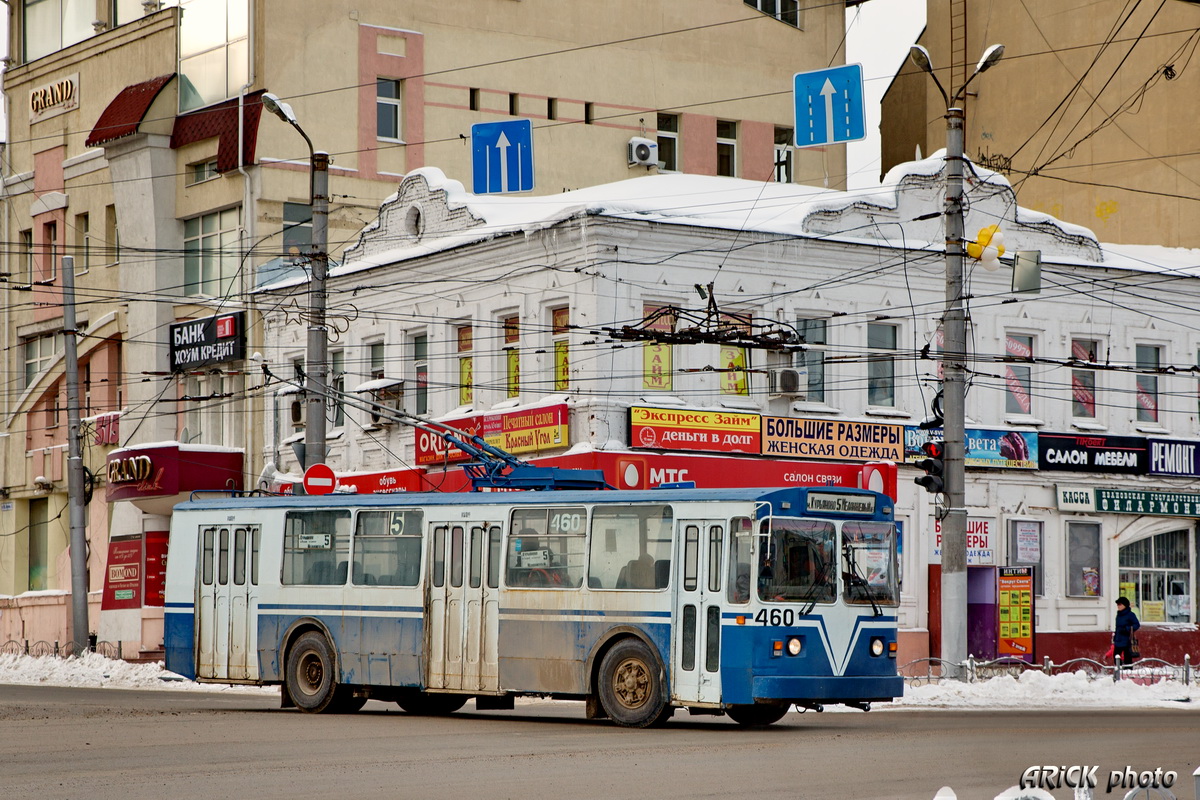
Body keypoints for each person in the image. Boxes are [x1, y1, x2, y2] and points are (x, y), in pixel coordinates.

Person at [1112, 596, 1141, 665]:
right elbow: (1117, 627)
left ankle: (1128, 670)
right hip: (1118, 640)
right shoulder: (1119, 615)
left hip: (1127, 640)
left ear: (1125, 605)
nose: (1118, 606)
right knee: (1116, 657)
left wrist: (1127, 629)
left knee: (1128, 659)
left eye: (1120, 604)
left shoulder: (1130, 615)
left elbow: (1137, 625)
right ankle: (1119, 669)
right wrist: (1115, 636)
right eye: (1117, 604)